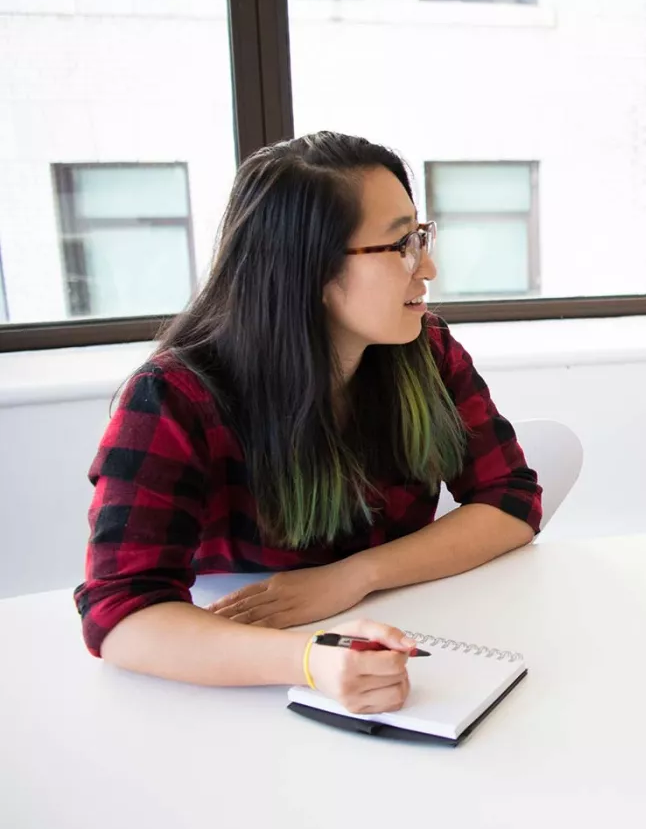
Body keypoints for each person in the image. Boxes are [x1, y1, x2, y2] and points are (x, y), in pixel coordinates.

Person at [74, 132, 542, 714]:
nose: (428, 267)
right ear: (311, 270)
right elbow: (122, 614)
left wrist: (355, 575)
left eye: (420, 236)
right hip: (236, 686)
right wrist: (308, 660)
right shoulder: (175, 397)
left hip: (413, 643)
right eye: (400, 244)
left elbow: (512, 500)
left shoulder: (426, 347)